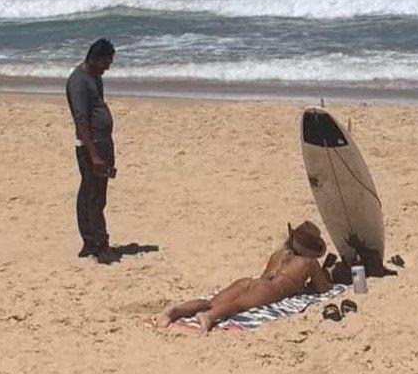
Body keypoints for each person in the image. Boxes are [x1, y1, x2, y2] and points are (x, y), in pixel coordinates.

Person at [157, 221, 331, 332]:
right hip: (269, 289)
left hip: (252, 281)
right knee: (236, 306)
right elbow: (322, 288)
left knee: (212, 302)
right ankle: (209, 317)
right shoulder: (309, 263)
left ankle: (175, 311)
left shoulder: (279, 253)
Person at [66, 39, 116, 261]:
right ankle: (98, 244)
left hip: (102, 142)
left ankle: (90, 240)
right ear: (93, 59)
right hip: (91, 145)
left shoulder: (95, 77)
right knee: (93, 195)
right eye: (105, 63)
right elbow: (81, 121)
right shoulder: (78, 82)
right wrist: (94, 155)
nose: (107, 68)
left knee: (95, 193)